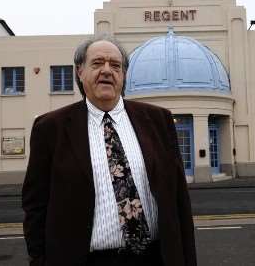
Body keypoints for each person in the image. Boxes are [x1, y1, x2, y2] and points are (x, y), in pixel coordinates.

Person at [22, 35, 196, 266]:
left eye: (115, 65)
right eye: (97, 63)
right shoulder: (50, 128)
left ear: (123, 75)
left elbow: (179, 201)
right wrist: (39, 260)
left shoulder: (158, 121)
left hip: (155, 258)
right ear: (80, 72)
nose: (107, 71)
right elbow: (35, 206)